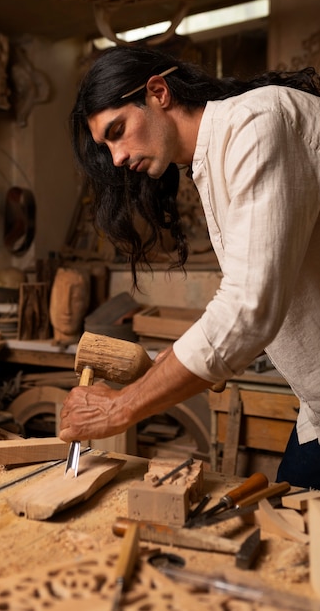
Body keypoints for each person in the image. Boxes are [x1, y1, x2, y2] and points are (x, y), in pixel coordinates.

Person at [59, 45, 320, 489]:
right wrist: (174, 366)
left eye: (118, 130)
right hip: (316, 407)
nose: (118, 157)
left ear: (158, 92)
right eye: (108, 145)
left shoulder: (255, 124)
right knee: (289, 507)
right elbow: (279, 286)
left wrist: (119, 408)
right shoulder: (214, 157)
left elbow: (248, 309)